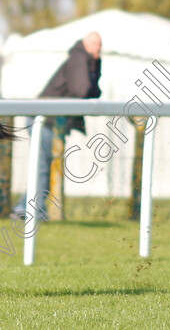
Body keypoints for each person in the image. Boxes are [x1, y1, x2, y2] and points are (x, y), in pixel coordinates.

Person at [12, 32, 102, 217]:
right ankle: (26, 209)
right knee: (42, 166)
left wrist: (95, 66)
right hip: (43, 119)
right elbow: (83, 89)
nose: (98, 48)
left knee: (44, 165)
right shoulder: (79, 60)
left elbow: (92, 91)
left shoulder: (86, 60)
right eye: (95, 44)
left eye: (100, 45)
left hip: (49, 119)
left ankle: (33, 209)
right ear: (85, 44)